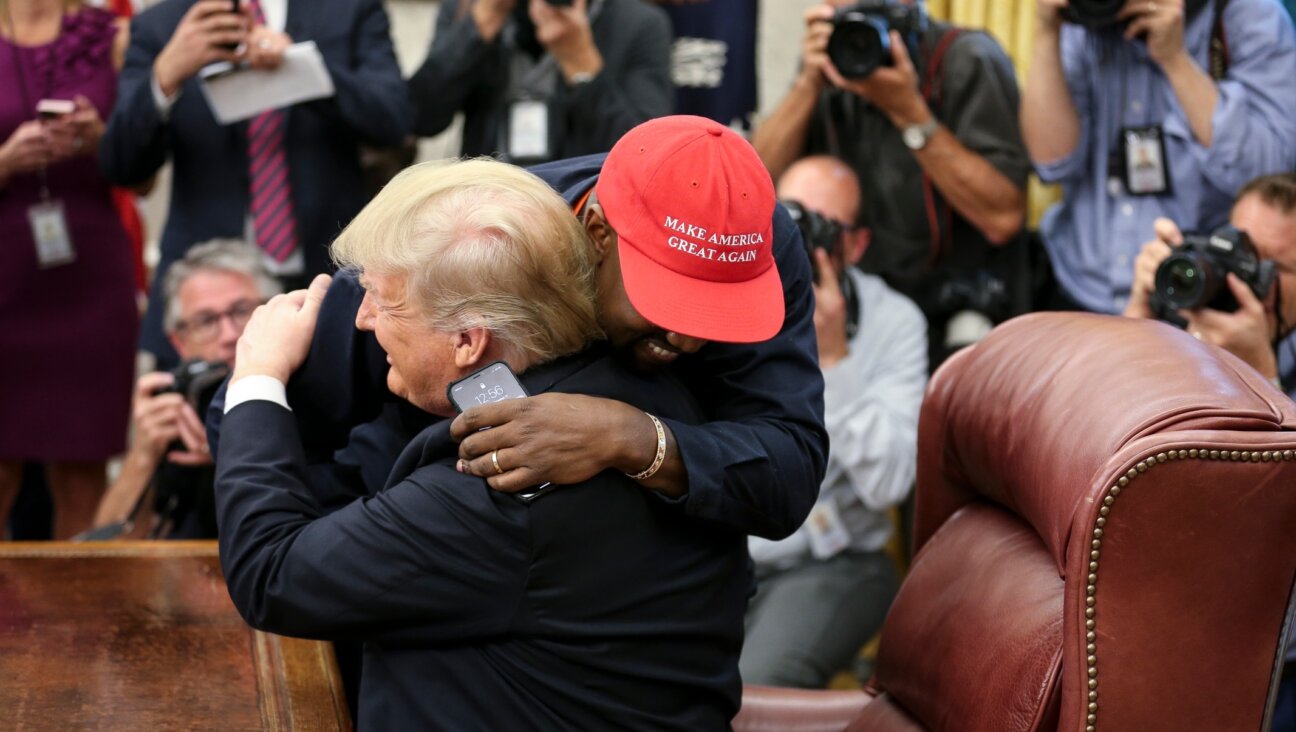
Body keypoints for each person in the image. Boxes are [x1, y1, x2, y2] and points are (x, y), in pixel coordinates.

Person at [215, 158, 754, 729]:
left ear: (469, 340)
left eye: (382, 298)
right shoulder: (656, 395)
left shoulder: (496, 489)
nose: (364, 319)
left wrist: (257, 376)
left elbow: (271, 574)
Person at [213, 115, 827, 543]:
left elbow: (788, 474)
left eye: (717, 313)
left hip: (647, 607)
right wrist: (375, 537)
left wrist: (631, 436)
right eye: (667, 306)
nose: (691, 341)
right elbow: (250, 414)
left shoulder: (753, 241)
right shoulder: (476, 237)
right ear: (595, 233)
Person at [100, 0, 412, 369]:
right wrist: (164, 78)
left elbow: (394, 120)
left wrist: (301, 70)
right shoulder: (161, 25)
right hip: (207, 300)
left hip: (329, 280)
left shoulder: (349, 9)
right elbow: (122, 165)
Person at [752, 0, 1029, 366]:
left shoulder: (964, 58)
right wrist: (807, 83)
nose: (858, 29)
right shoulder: (833, 62)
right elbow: (753, 191)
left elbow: (1003, 218)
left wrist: (908, 112)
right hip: (854, 309)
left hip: (955, 316)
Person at [741, 155, 927, 688]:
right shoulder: (731, 296)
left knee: (757, 688)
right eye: (788, 215)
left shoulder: (893, 321)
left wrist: (835, 357)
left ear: (857, 244)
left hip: (833, 559)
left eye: (821, 226)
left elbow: (889, 481)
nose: (798, 239)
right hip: (728, 552)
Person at [1023, 0, 1296, 315]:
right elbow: (1052, 162)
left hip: (1195, 300)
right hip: (1078, 289)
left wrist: (1175, 60)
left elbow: (1268, 174)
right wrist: (1047, 31)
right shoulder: (1085, 16)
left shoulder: (1246, 14)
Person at [0, 0, 137, 539]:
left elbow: (143, 175)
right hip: (6, 279)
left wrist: (100, 139)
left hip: (89, 279)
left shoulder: (114, 35)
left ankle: (80, 623)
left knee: (82, 473)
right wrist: (5, 160)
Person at [91, 240, 279, 540]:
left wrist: (231, 451)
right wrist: (144, 454)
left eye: (242, 310)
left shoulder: (313, 389)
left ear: (275, 311)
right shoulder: (180, 406)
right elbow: (106, 553)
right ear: (179, 342)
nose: (230, 334)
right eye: (206, 321)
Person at [407, 0, 673, 164]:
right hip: (486, 207)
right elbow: (420, 117)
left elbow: (645, 154)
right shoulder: (468, 9)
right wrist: (480, 26)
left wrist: (580, 61)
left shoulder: (638, 23)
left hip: (580, 211)